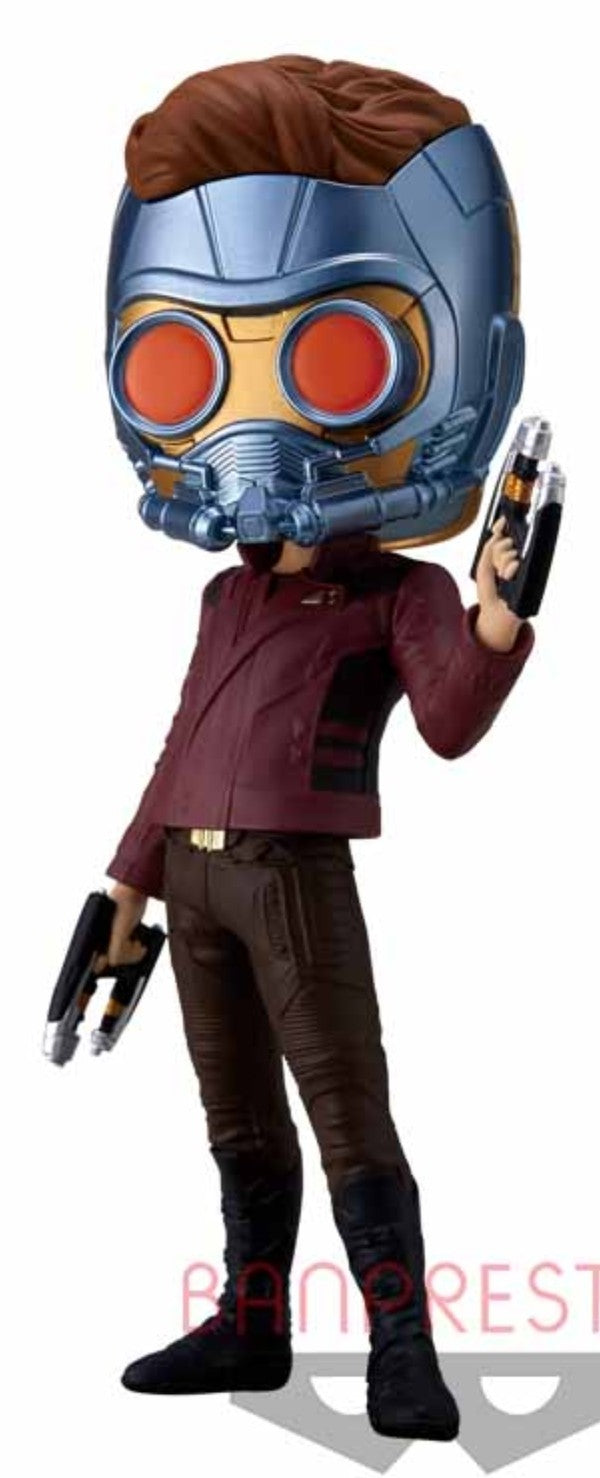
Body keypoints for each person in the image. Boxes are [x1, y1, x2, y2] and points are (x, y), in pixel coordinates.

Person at [100, 56, 535, 1440]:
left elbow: (450, 720)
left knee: (346, 1113)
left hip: (295, 880)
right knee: (235, 1117)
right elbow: (184, 739)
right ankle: (254, 1320)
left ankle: (403, 1349)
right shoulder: (227, 596)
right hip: (198, 882)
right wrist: (127, 883)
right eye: (182, 362)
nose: (249, 433)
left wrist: (498, 613)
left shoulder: (390, 595)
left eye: (335, 357)